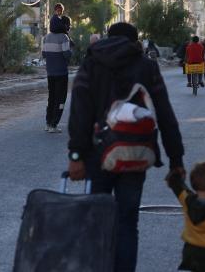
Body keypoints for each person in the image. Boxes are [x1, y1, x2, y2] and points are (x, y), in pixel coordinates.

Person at [67, 22, 186, 272]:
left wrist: (76, 155)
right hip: (135, 154)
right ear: (135, 41)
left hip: (97, 156)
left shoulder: (91, 64)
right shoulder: (147, 66)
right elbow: (164, 114)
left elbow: (80, 113)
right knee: (127, 222)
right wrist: (176, 160)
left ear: (108, 38)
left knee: (97, 220)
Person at [42, 5, 72, 133]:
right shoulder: (64, 38)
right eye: (68, 26)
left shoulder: (46, 37)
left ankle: (48, 123)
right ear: (65, 26)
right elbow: (67, 55)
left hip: (50, 73)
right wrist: (71, 50)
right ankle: (54, 125)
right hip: (61, 73)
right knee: (61, 99)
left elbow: (44, 54)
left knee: (51, 97)